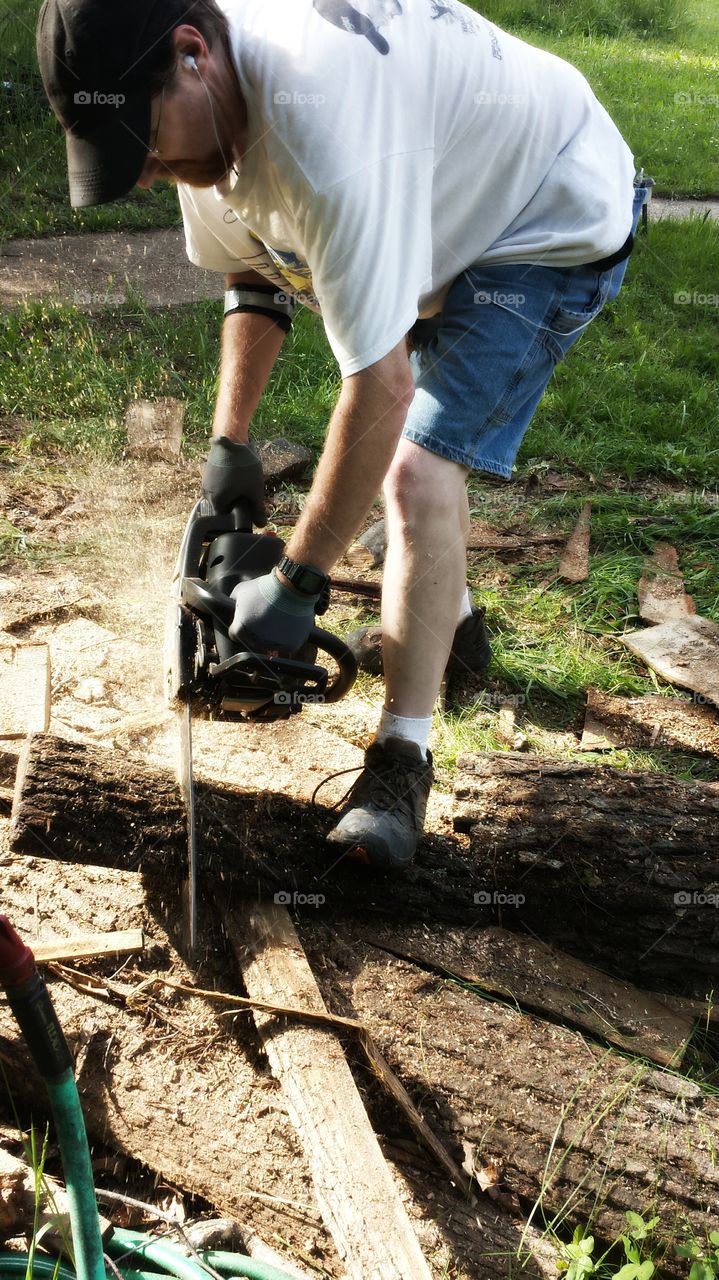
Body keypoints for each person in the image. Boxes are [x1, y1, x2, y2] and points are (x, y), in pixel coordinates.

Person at [37, 0, 649, 870]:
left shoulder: (324, 133)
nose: (143, 175)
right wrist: (230, 445)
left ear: (191, 55)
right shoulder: (205, 131)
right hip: (445, 193)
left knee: (414, 470)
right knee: (394, 440)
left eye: (144, 139)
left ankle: (403, 760)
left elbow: (384, 388)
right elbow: (252, 273)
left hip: (543, 217)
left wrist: (296, 583)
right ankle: (455, 636)